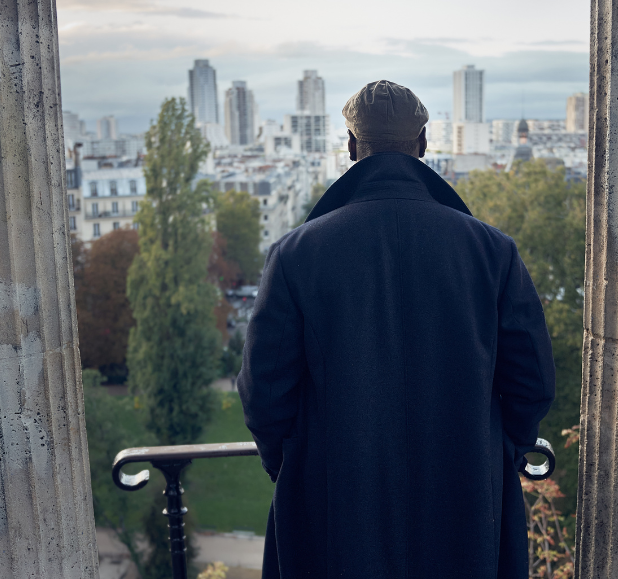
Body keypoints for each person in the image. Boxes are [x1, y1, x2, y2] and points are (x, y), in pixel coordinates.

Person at [238, 80, 555, 578]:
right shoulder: (491, 251)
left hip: (338, 511)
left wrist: (300, 467)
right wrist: (492, 453)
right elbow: (531, 383)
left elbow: (265, 395)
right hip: (464, 503)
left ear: (350, 146)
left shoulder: (296, 255)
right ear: (423, 145)